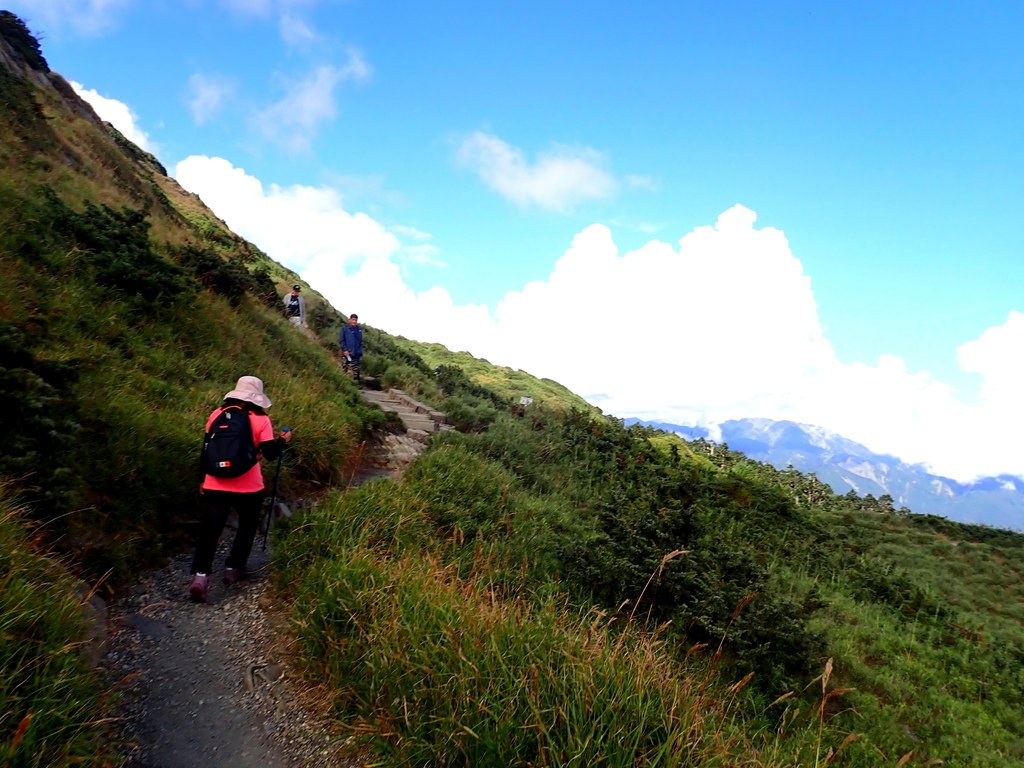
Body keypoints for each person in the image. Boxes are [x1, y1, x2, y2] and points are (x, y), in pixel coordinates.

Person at [189, 376, 292, 602]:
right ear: (257, 397)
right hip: (249, 486)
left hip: (214, 481)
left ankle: (200, 577)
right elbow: (270, 454)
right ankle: (233, 569)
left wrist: (202, 479)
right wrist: (283, 440)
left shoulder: (216, 415)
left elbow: (205, 450)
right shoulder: (260, 419)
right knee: (246, 527)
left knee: (210, 530)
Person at [339, 313, 363, 381]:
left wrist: (360, 352)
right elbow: (341, 340)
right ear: (350, 320)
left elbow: (360, 342)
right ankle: (342, 385)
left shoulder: (359, 330)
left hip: (356, 354)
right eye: (353, 320)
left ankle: (356, 388)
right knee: (344, 370)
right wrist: (345, 350)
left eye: (355, 320)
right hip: (346, 353)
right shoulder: (345, 329)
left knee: (356, 372)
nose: (354, 321)